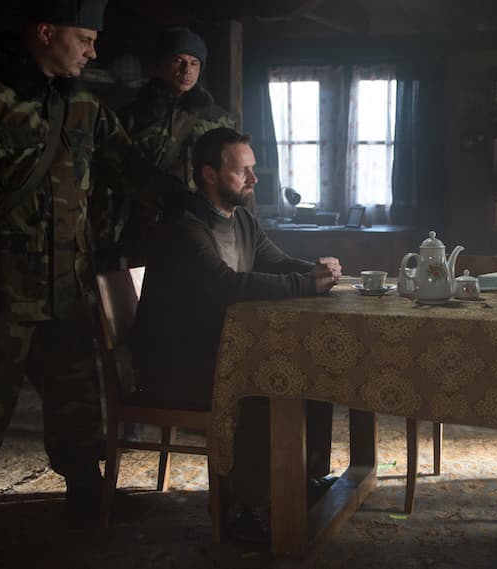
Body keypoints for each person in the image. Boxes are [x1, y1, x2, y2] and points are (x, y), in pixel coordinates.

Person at [0, 0, 147, 559]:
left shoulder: (81, 104)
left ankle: (85, 498)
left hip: (66, 292)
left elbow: (129, 165)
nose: (94, 51)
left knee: (78, 408)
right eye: (86, 38)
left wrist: (186, 196)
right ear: (47, 32)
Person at [132, 126, 341, 541]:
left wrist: (317, 270)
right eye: (242, 170)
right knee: (262, 382)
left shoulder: (241, 218)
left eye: (253, 169)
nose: (254, 179)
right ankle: (242, 509)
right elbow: (226, 284)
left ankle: (302, 479)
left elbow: (276, 262)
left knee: (312, 364)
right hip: (175, 364)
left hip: (218, 349)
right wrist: (306, 284)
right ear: (209, 174)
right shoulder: (183, 226)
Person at [106, 27, 235, 267]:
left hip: (199, 228)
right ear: (160, 64)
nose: (186, 70)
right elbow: (112, 174)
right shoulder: (132, 116)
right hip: (143, 229)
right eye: (178, 60)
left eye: (194, 63)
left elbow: (235, 174)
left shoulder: (218, 120)